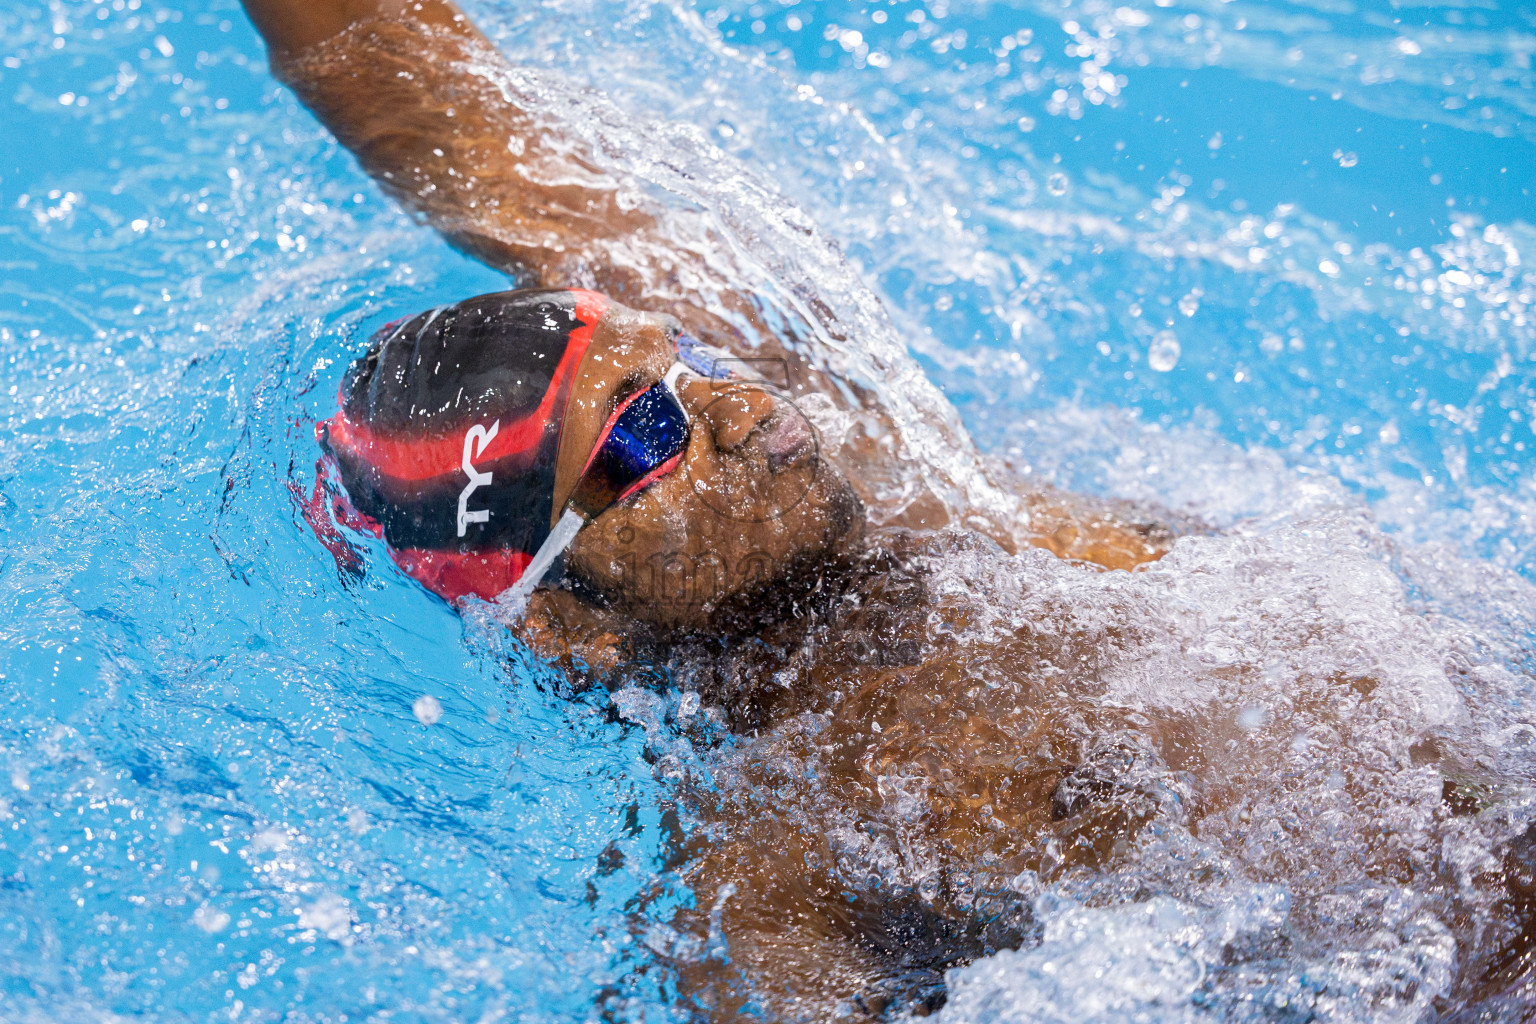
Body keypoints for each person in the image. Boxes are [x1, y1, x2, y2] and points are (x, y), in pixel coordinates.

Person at [241, 0, 1191, 1018]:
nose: (746, 404)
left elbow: (439, 106)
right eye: (647, 434)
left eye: (687, 360)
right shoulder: (775, 879)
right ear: (570, 625)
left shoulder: (837, 438)